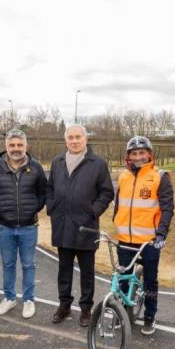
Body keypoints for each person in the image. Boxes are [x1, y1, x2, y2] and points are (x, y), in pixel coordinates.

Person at [46, 124, 114, 327]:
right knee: (63, 270)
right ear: (65, 140)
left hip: (86, 227)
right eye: (70, 137)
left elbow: (107, 193)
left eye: (78, 137)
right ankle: (64, 305)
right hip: (62, 224)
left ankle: (86, 309)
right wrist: (52, 207)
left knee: (87, 271)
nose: (74, 141)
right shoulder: (57, 162)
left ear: (86, 139)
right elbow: (49, 189)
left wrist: (93, 211)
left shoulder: (98, 163)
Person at [0, 129, 47, 319]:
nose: (16, 149)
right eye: (12, 145)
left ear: (26, 146)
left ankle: (28, 299)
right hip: (4, 227)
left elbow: (43, 193)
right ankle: (9, 298)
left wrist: (33, 209)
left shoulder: (36, 167)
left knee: (28, 264)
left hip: (28, 227)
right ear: (6, 146)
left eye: (19, 145)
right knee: (8, 264)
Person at [112, 136, 174, 335]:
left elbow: (167, 208)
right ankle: (122, 314)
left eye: (142, 152)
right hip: (124, 240)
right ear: (128, 156)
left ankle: (150, 316)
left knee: (150, 280)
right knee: (122, 279)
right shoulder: (123, 177)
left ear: (149, 154)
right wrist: (116, 223)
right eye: (134, 153)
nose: (138, 157)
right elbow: (118, 205)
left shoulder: (160, 176)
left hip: (149, 241)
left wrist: (161, 233)